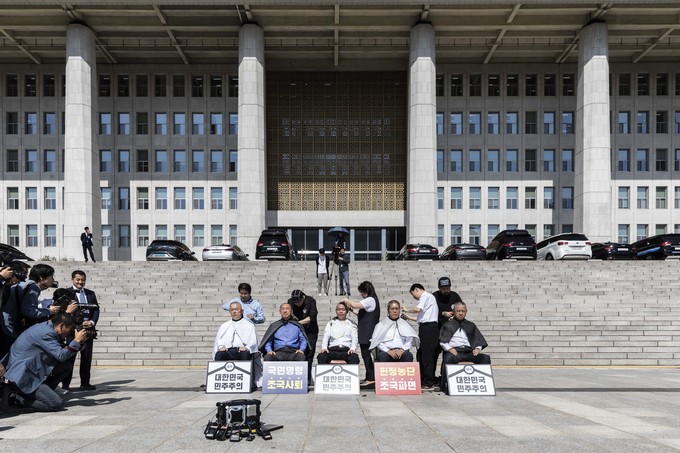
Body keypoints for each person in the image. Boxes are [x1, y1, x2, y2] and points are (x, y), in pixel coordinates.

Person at [1, 311, 88, 412]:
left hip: (31, 370)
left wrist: (79, 343)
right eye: (70, 329)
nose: (71, 332)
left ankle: (40, 394)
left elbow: (60, 352)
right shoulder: (47, 333)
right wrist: (76, 341)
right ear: (61, 326)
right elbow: (61, 355)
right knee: (56, 404)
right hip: (22, 377)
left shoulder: (47, 327)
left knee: (65, 367)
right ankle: (15, 398)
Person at [439, 301, 491, 392]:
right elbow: (442, 341)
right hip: (455, 352)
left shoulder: (471, 325)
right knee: (448, 358)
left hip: (469, 351)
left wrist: (477, 348)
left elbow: (478, 339)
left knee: (485, 358)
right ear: (454, 312)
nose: (460, 313)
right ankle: (446, 385)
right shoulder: (448, 325)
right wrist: (449, 348)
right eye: (458, 311)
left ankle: (485, 384)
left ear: (466, 312)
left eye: (463, 311)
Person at [61, 270, 100, 391]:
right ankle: (65, 385)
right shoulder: (66, 293)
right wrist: (76, 323)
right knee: (69, 357)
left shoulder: (91, 294)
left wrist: (91, 322)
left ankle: (85, 383)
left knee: (86, 357)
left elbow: (96, 310)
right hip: (72, 330)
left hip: (88, 329)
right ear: (72, 279)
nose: (80, 282)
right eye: (78, 279)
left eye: (83, 280)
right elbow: (64, 310)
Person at [401, 283, 439, 389]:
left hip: (429, 329)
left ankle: (428, 381)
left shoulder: (426, 296)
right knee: (421, 354)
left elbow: (418, 309)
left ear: (416, 289)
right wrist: (408, 317)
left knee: (427, 355)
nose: (414, 297)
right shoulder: (429, 299)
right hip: (426, 328)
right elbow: (422, 318)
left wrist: (407, 309)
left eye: (413, 295)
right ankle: (423, 378)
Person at [342, 281, 380, 385]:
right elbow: (361, 314)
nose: (361, 295)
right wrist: (351, 310)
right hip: (366, 331)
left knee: (366, 354)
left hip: (368, 332)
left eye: (362, 292)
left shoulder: (370, 299)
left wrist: (345, 300)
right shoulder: (372, 300)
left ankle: (371, 377)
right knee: (365, 354)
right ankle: (369, 375)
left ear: (366, 291)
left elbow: (355, 305)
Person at [287, 290, 318, 378]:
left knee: (309, 354)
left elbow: (312, 317)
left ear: (303, 298)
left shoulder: (310, 301)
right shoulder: (290, 301)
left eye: (298, 302)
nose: (297, 304)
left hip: (310, 331)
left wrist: (298, 323)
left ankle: (307, 377)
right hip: (296, 331)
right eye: (295, 302)